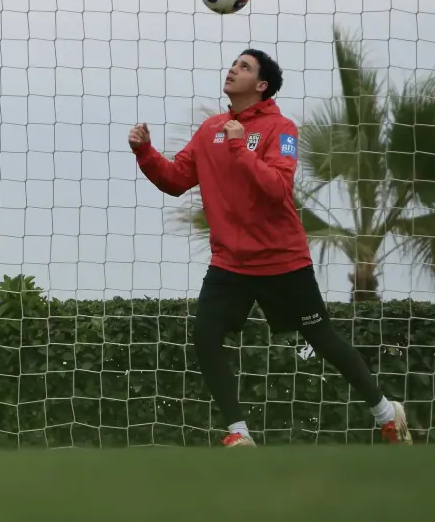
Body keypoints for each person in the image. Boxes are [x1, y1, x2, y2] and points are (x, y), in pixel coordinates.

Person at [129, 48, 411, 447]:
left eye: (244, 67)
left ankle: (386, 412)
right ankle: (239, 434)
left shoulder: (283, 130)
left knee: (322, 338)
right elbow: (175, 179)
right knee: (205, 337)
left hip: (282, 261)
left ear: (261, 85)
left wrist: (240, 149)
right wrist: (145, 152)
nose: (232, 69)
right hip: (230, 263)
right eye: (233, 63)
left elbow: (278, 187)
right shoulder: (211, 128)